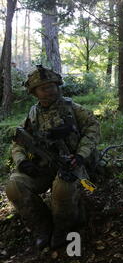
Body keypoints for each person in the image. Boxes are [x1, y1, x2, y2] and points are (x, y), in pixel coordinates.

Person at [5, 65, 100, 250]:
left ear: (58, 86)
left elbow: (93, 129)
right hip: (43, 166)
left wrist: (80, 155)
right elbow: (19, 142)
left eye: (52, 86)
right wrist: (22, 162)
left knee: (63, 189)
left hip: (71, 165)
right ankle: (42, 227)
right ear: (34, 92)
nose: (49, 91)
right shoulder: (32, 114)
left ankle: (64, 229)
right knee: (14, 186)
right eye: (43, 88)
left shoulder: (72, 108)